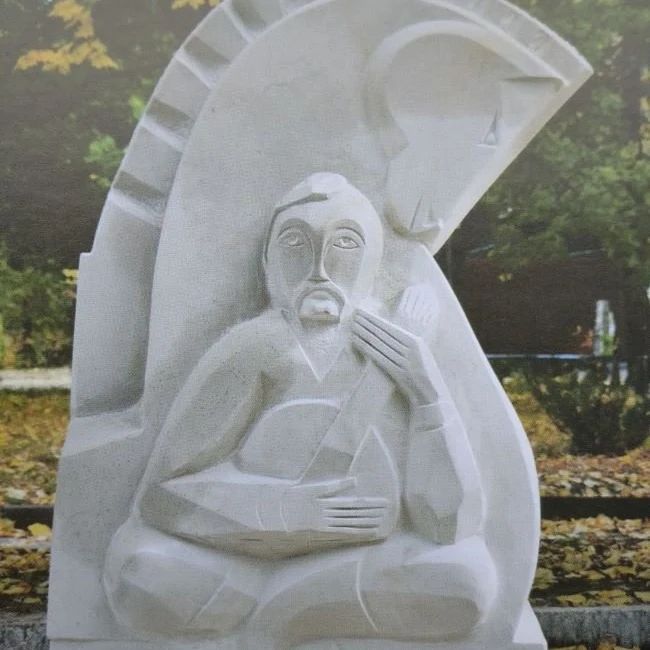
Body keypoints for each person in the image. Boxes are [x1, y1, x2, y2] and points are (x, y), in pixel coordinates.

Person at [103, 173, 496, 647]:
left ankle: (278, 611)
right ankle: (305, 608)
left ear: (374, 258)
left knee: (464, 580)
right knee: (145, 576)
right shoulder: (253, 347)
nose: (319, 269)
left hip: (359, 558)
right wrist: (283, 512)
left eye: (345, 243)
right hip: (242, 555)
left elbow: (449, 523)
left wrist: (427, 392)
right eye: (294, 242)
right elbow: (161, 495)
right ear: (268, 261)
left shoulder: (402, 350)